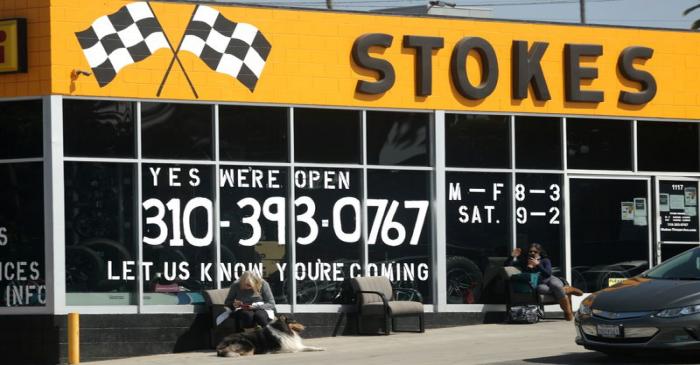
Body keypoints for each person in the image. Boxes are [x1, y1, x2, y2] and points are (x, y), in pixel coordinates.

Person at [504, 243, 583, 321]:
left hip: (550, 279)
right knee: (542, 289)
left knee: (556, 286)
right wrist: (512, 256)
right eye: (530, 251)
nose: (532, 253)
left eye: (535, 252)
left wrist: (538, 265)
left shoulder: (545, 260)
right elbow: (507, 265)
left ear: (539, 252)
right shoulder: (525, 262)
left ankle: (567, 313)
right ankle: (566, 290)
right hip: (540, 283)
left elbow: (548, 273)